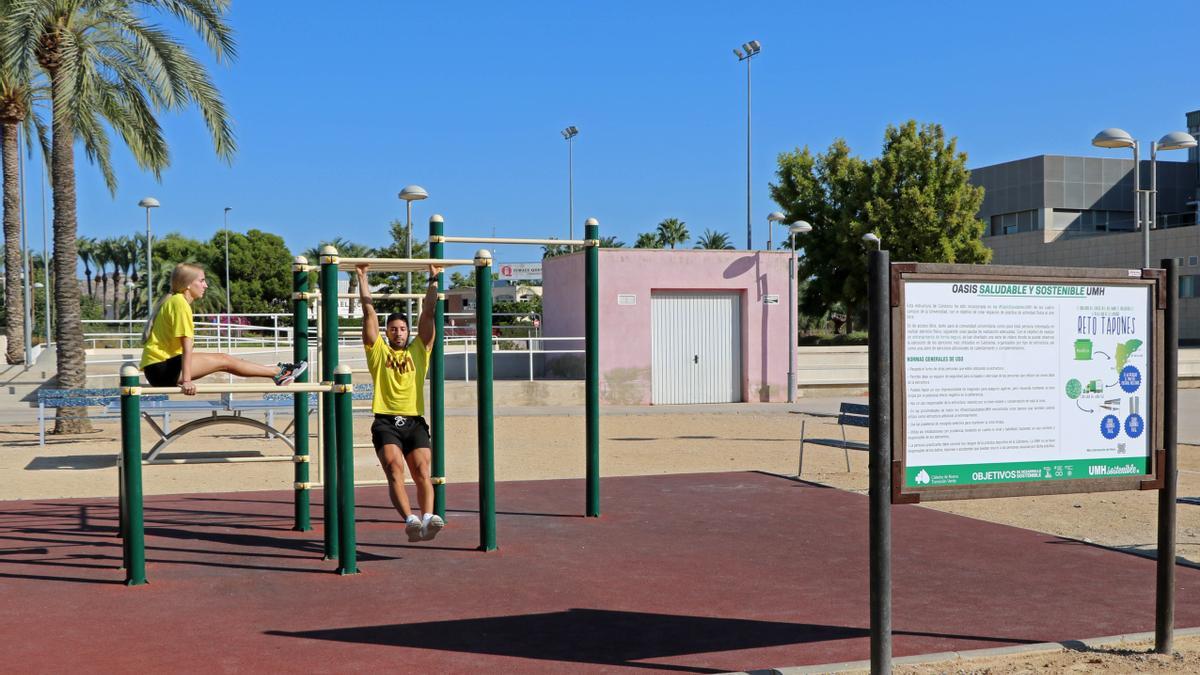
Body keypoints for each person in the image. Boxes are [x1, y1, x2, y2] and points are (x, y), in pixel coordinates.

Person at [357, 262, 444, 542]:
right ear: (387, 332)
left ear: (408, 332)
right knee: (395, 467)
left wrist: (433, 280)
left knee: (422, 470)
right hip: (385, 420)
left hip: (415, 420)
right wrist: (362, 276)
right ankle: (410, 521)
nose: (398, 332)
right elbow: (368, 312)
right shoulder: (377, 352)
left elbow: (429, 312)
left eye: (402, 329)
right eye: (393, 329)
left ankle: (429, 518)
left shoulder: (420, 350)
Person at [141, 263, 306, 394]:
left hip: (158, 367)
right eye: (201, 281)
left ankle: (277, 373)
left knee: (225, 360)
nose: (205, 285)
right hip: (161, 368)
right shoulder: (179, 303)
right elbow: (186, 345)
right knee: (224, 360)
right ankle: (279, 373)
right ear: (188, 285)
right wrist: (187, 381)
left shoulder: (174, 301)